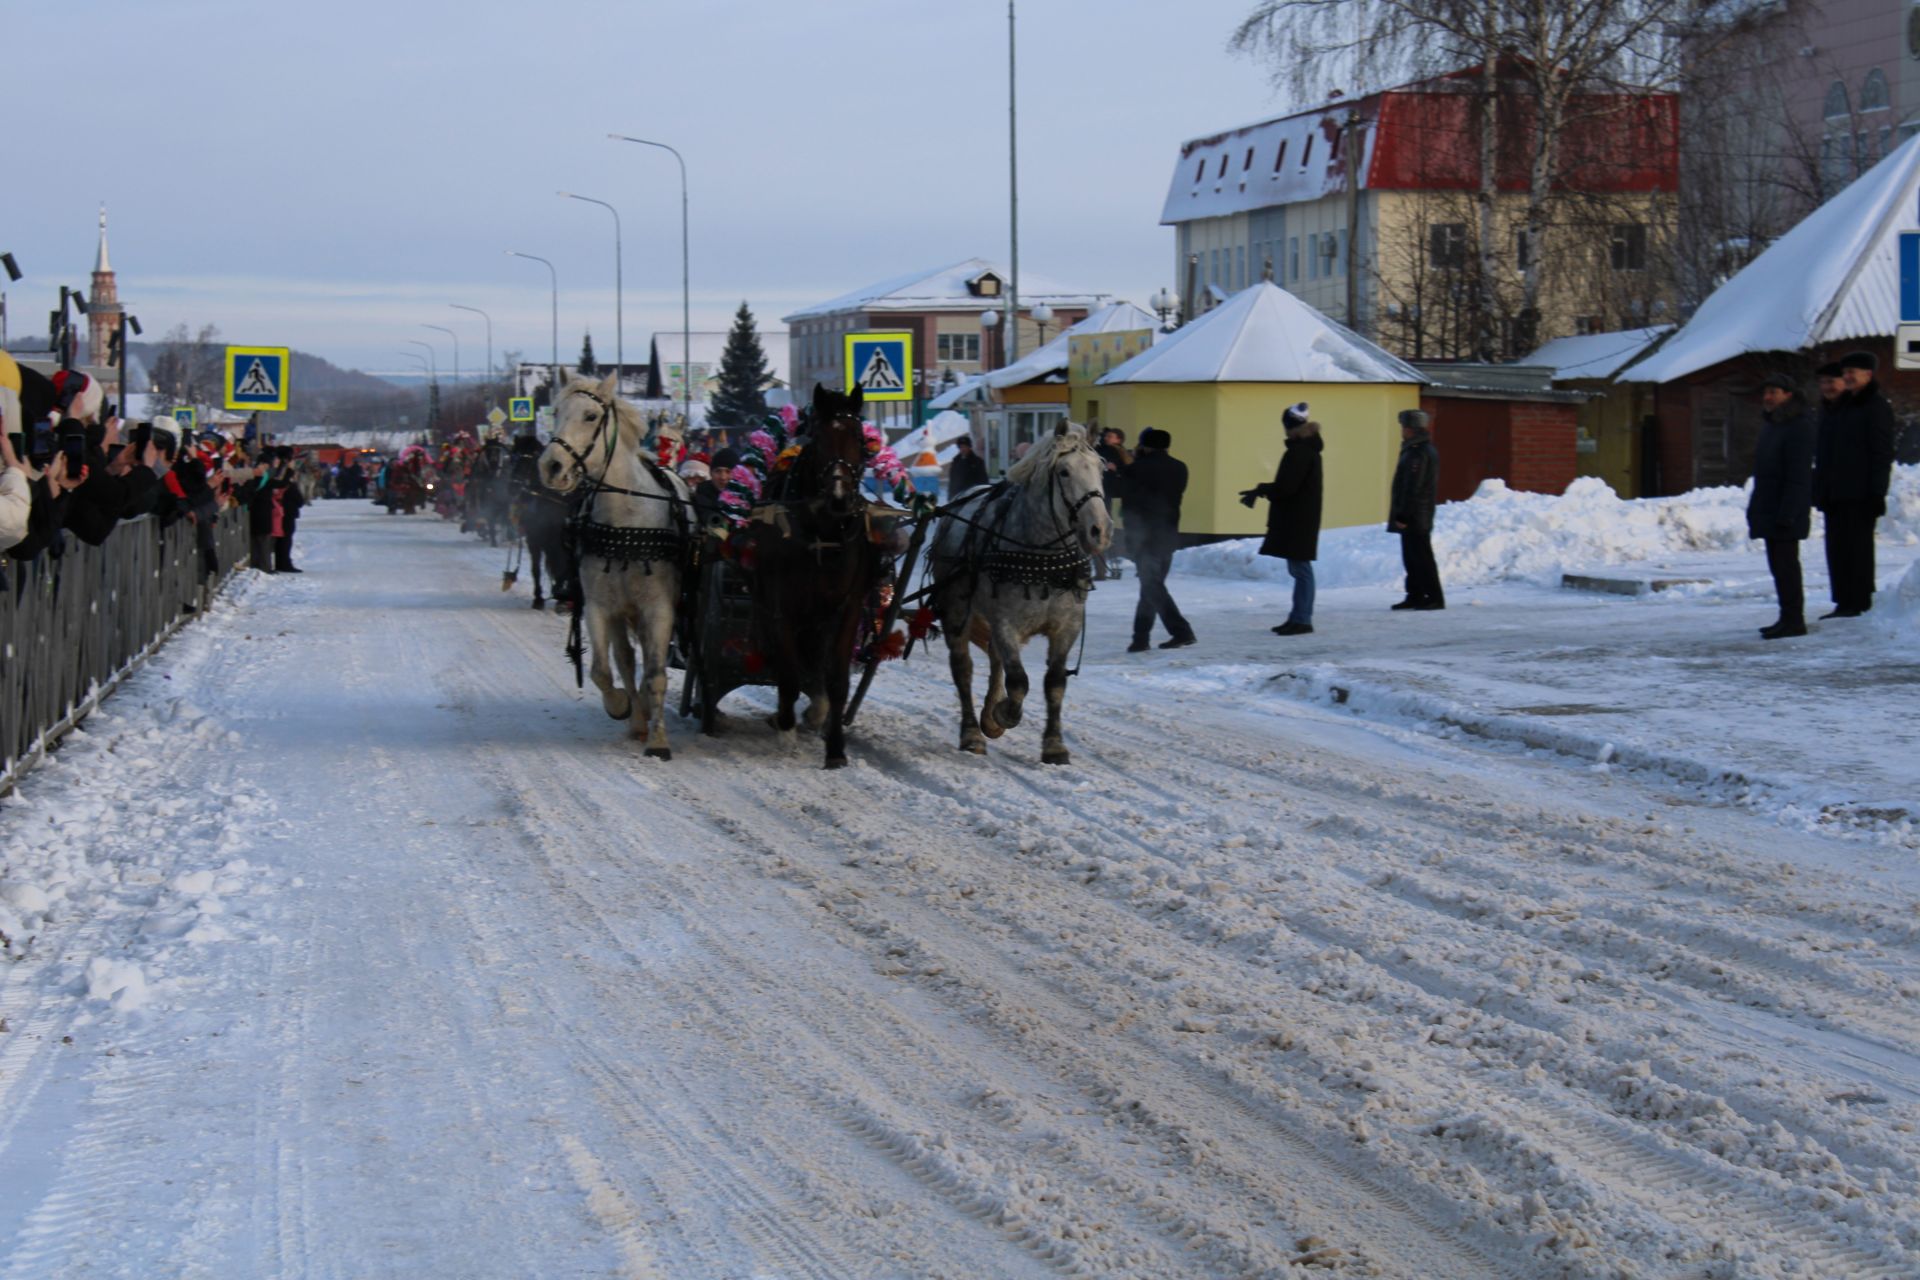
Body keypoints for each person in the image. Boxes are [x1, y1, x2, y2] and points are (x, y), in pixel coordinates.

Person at [1813, 351, 1897, 617]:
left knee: (1858, 549)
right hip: (1835, 491)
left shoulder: (1876, 406)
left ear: (1868, 375)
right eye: (1845, 372)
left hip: (1860, 492)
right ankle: (1843, 600)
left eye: (1853, 372)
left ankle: (1859, 601)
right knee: (1837, 548)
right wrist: (1821, 488)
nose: (1847, 377)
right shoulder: (1843, 406)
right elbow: (1828, 452)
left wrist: (1876, 492)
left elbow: (1881, 454)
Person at [1242, 403, 1323, 635]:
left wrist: (1262, 489)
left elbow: (1288, 487)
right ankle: (1298, 617)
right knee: (1299, 570)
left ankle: (1303, 619)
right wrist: (1263, 489)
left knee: (1301, 570)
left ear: (1290, 426)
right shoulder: (1305, 449)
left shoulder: (1300, 452)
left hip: (1298, 518)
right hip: (1299, 516)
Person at [1748, 373, 1815, 639]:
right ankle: (1786, 617)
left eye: (1774, 392)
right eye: (1766, 392)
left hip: (1786, 511)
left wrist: (1788, 512)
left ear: (1788, 395)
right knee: (1778, 567)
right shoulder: (1773, 425)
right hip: (1770, 506)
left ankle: (1794, 620)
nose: (1767, 397)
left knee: (1787, 567)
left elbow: (1798, 475)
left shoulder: (1799, 426)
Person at [1118, 427, 1195, 651]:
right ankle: (1140, 638)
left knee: (1152, 587)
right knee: (1150, 586)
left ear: (1145, 446)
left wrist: (1116, 470)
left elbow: (1119, 490)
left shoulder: (1137, 469)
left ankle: (1181, 631)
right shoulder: (1180, 468)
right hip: (1168, 535)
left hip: (1144, 537)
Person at [1389, 408, 1444, 610]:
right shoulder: (1415, 450)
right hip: (1416, 513)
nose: (1402, 430)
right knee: (1411, 556)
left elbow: (1414, 486)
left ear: (1411, 429)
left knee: (1421, 557)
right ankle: (1416, 594)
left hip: (1416, 514)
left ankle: (1434, 596)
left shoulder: (1419, 453)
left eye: (1404, 426)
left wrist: (1403, 514)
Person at [1092, 426, 1130, 579]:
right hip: (1106, 493)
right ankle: (1102, 568)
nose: (1107, 438)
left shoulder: (1119, 453)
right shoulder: (1118, 453)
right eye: (1106, 436)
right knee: (1102, 529)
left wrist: (1116, 469)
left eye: (1111, 436)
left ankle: (1101, 569)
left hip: (1105, 493)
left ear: (1119, 439)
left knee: (1101, 529)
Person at [692, 447, 739, 525]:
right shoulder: (703, 490)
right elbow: (706, 513)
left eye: (728, 472)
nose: (723, 477)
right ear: (710, 473)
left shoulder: (744, 494)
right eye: (718, 471)